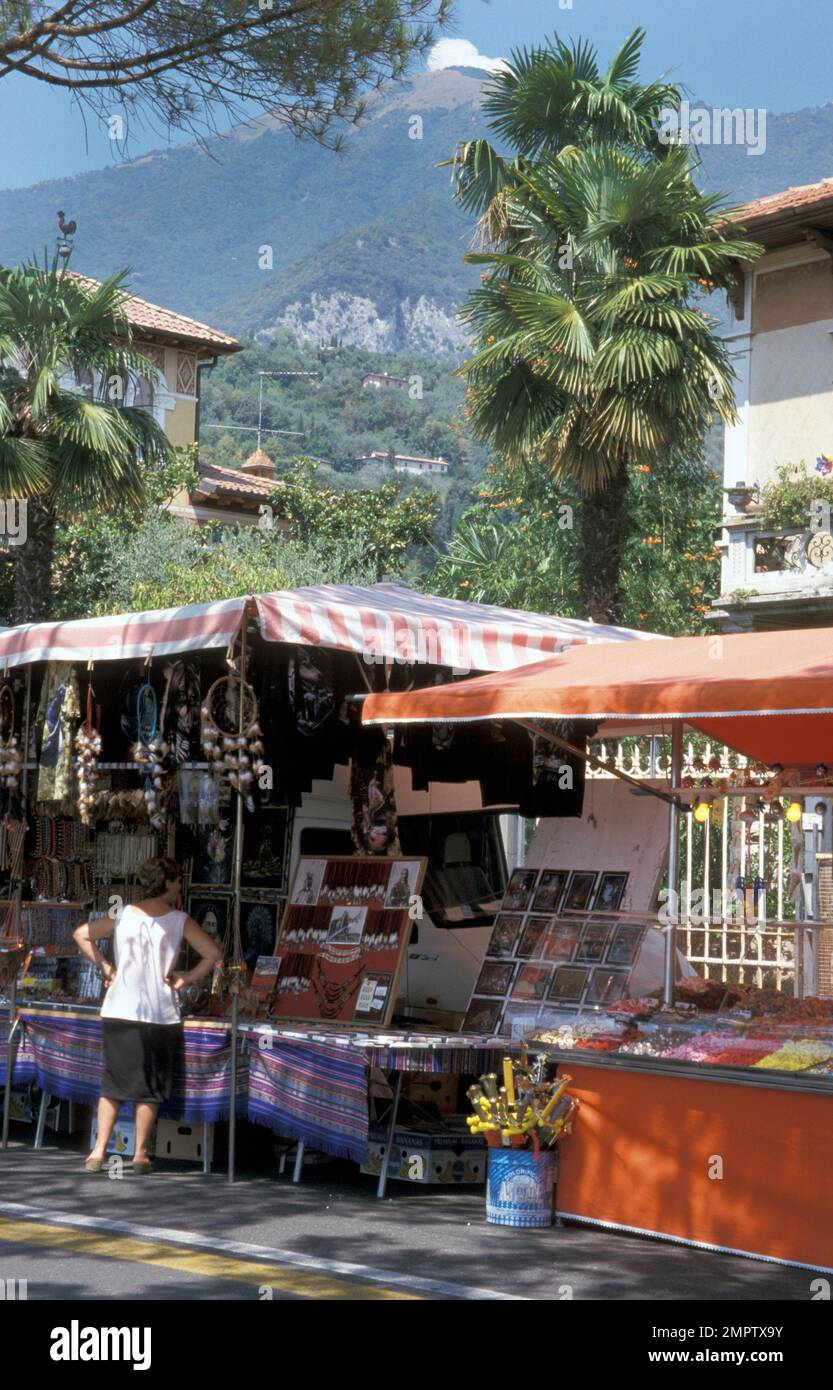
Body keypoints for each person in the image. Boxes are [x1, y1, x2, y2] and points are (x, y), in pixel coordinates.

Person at [73, 856, 222, 1174]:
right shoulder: (180, 919)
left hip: (118, 1009)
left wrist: (106, 966)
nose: (180, 885)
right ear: (167, 883)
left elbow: (81, 934)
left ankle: (98, 1152)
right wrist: (185, 977)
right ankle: (140, 1154)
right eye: (178, 880)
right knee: (150, 1085)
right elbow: (213, 954)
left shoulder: (123, 913)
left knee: (113, 1081)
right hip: (159, 1012)